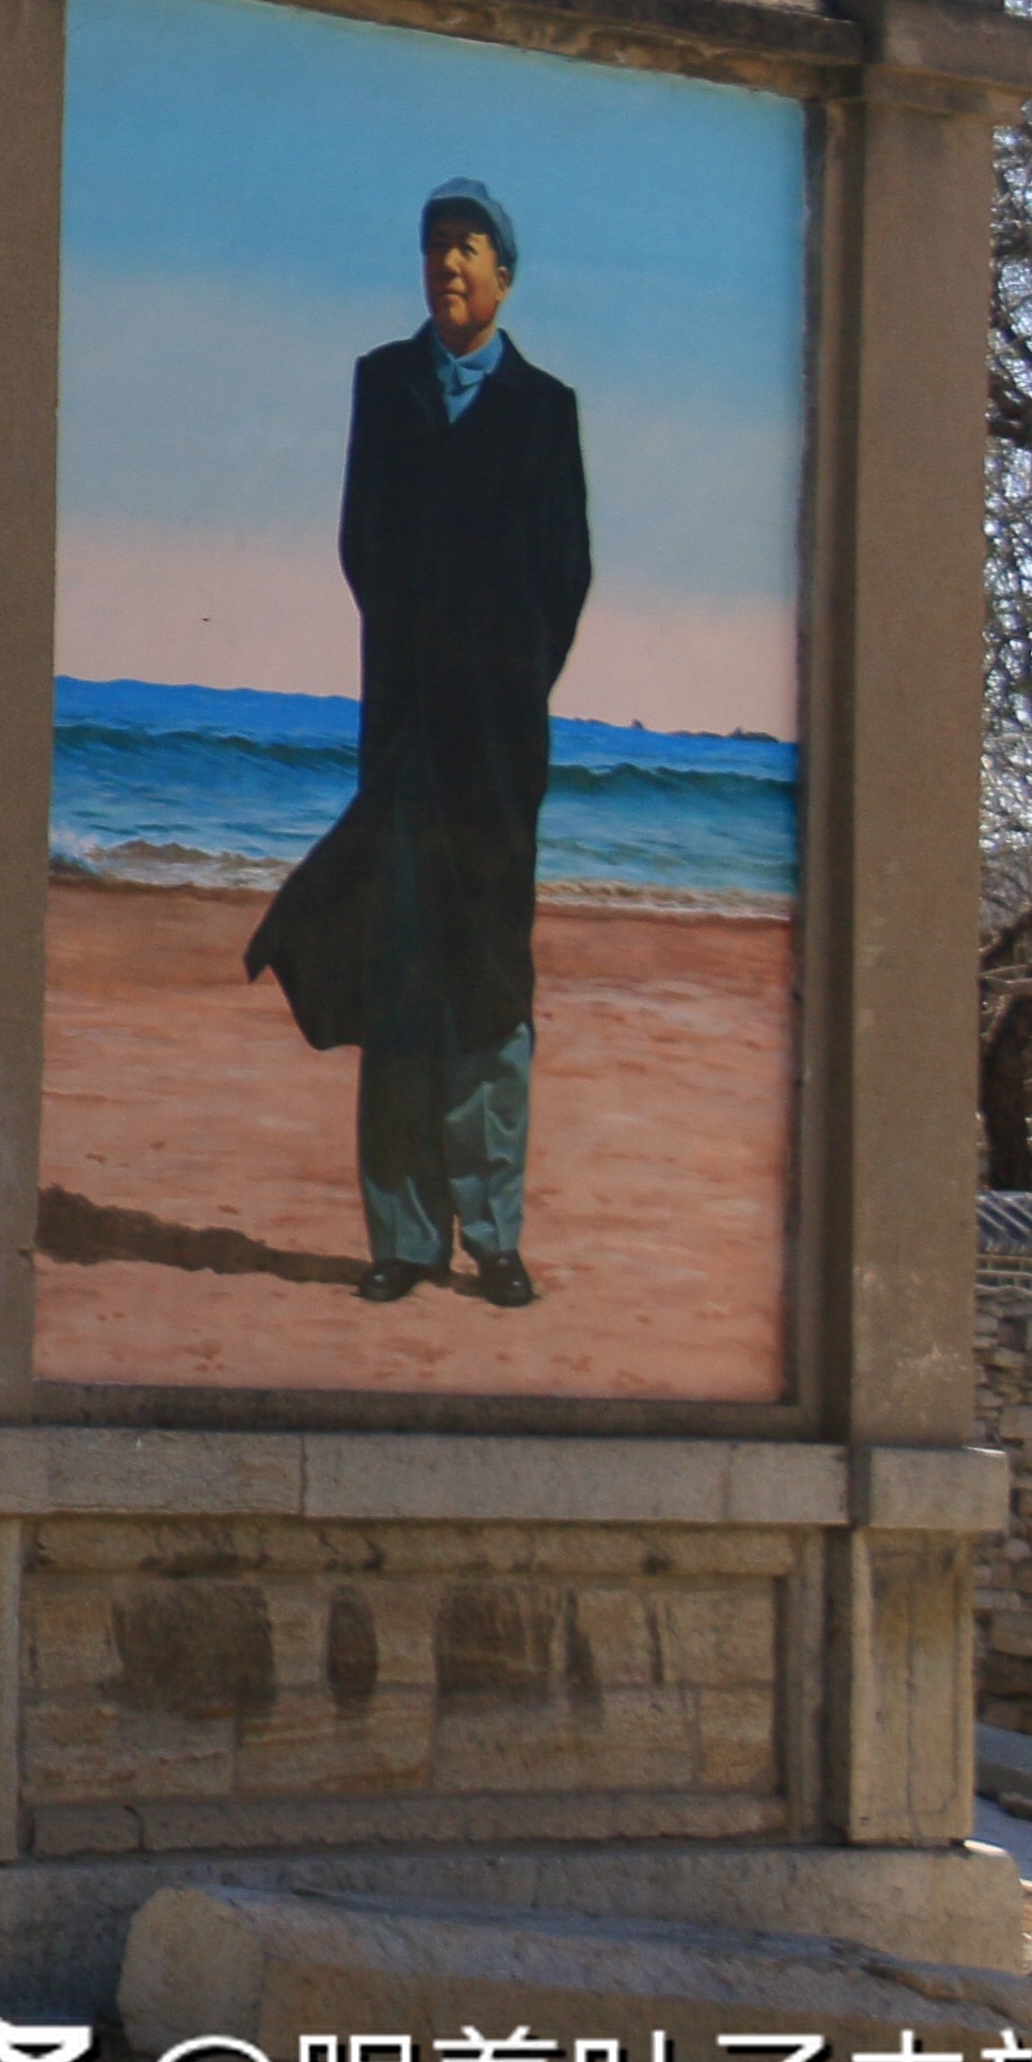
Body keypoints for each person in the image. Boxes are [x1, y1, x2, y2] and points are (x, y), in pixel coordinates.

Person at [243, 177, 593, 1307]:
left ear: (505, 273)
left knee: (489, 983)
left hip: (497, 751)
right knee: (402, 977)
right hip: (400, 736)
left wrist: (498, 680)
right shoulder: (382, 386)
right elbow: (363, 545)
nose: (450, 266)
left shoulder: (546, 409)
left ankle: (492, 1232)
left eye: (470, 248)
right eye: (437, 248)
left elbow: (566, 575)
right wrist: (419, 665)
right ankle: (401, 1236)